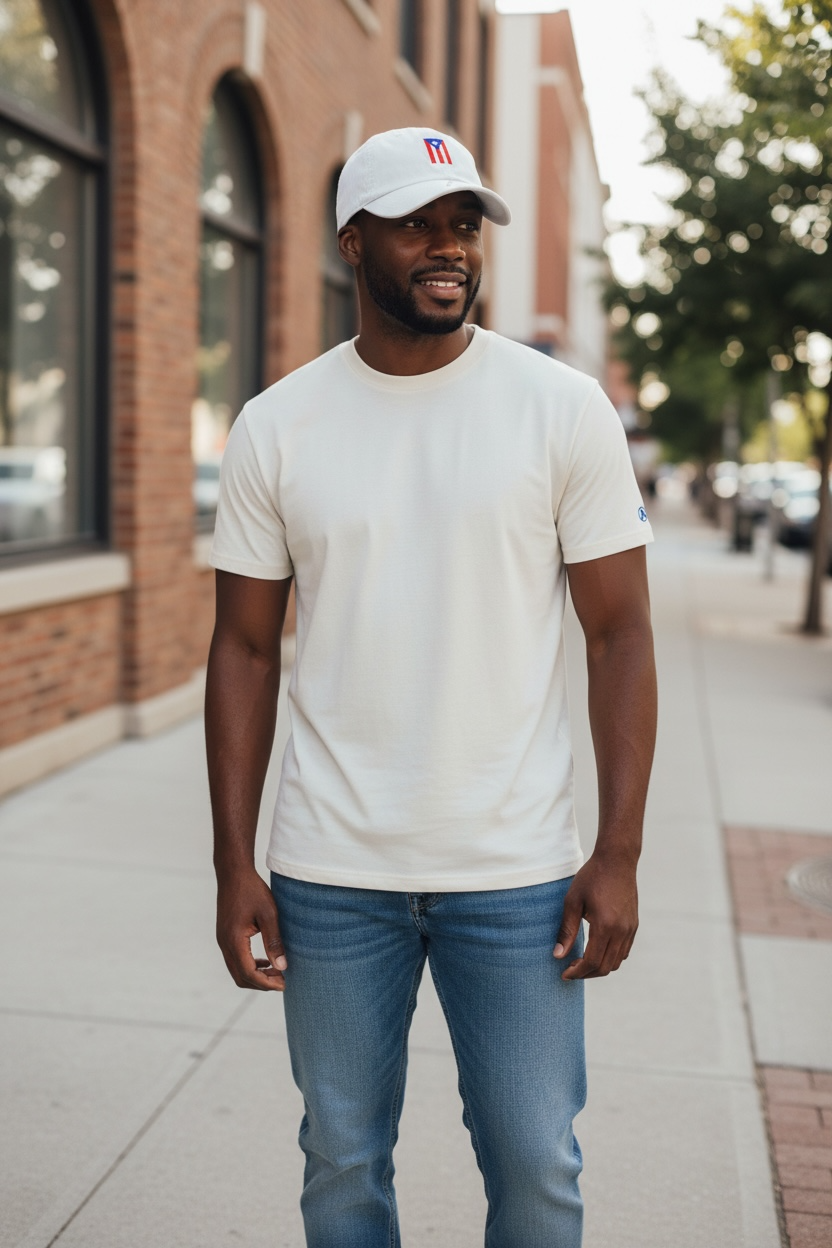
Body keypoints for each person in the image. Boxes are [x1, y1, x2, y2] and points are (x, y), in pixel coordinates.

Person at [205, 127, 657, 1248]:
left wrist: (618, 852)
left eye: (462, 224)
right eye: (416, 224)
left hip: (515, 871)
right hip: (330, 870)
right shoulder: (277, 426)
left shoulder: (561, 410)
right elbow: (244, 650)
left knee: (537, 1164)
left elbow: (620, 635)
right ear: (353, 243)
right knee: (343, 1161)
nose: (448, 246)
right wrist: (232, 862)